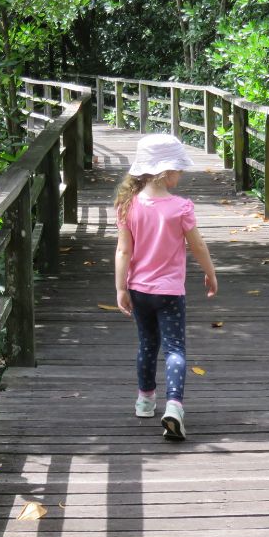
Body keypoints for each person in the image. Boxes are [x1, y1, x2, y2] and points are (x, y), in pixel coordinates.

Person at [114, 133, 218, 440]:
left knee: (147, 344)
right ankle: (174, 406)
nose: (181, 174)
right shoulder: (181, 207)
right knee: (175, 348)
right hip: (171, 292)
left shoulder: (128, 205)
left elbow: (123, 251)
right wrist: (210, 274)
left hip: (139, 290)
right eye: (179, 169)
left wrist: (121, 288)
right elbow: (197, 245)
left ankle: (145, 400)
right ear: (165, 171)